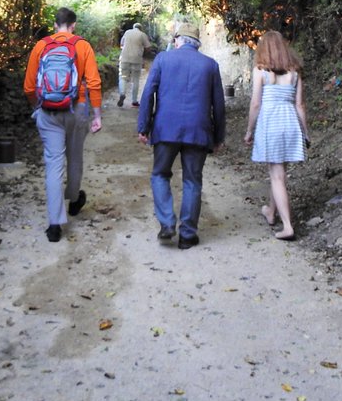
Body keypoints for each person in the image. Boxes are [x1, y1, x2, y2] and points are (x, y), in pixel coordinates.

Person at [136, 22, 226, 249]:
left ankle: (167, 223)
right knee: (192, 180)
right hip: (198, 130)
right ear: (196, 43)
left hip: (165, 129)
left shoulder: (163, 60)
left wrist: (143, 126)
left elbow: (148, 94)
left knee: (159, 174)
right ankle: (188, 235)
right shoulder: (210, 65)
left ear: (178, 40)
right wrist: (218, 137)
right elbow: (219, 105)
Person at [22, 7, 103, 242]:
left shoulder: (41, 46)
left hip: (48, 110)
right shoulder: (82, 45)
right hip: (76, 108)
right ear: (74, 25)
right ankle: (74, 199)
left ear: (55, 25)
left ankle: (55, 224)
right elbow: (94, 83)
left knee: (53, 164)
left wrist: (37, 106)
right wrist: (96, 115)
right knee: (75, 157)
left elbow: (28, 87)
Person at [243, 30, 310, 240]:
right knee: (279, 174)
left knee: (277, 175)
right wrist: (306, 133)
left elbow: (255, 104)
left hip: (271, 123)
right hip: (290, 123)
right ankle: (271, 212)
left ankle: (288, 226)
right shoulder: (295, 72)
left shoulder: (260, 70)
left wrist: (249, 131)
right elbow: (300, 105)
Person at [117, 22, 152, 108]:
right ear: (140, 28)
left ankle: (122, 93)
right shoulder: (142, 35)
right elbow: (148, 47)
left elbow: (121, 44)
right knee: (135, 80)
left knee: (123, 77)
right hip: (137, 59)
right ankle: (134, 101)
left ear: (133, 27)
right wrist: (143, 52)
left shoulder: (127, 32)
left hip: (124, 58)